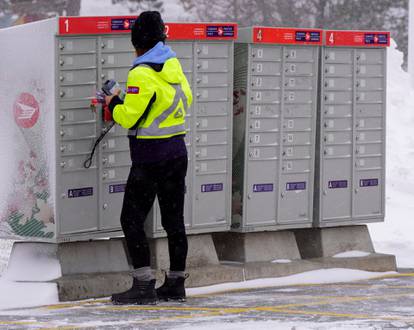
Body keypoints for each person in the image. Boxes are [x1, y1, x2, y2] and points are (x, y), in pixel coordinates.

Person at [105, 11, 192, 305]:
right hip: (178, 153)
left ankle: (143, 285)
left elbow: (130, 117)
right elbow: (186, 99)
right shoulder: (173, 65)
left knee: (131, 218)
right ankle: (176, 284)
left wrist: (113, 103)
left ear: (138, 41)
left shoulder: (141, 72)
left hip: (150, 157)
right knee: (174, 221)